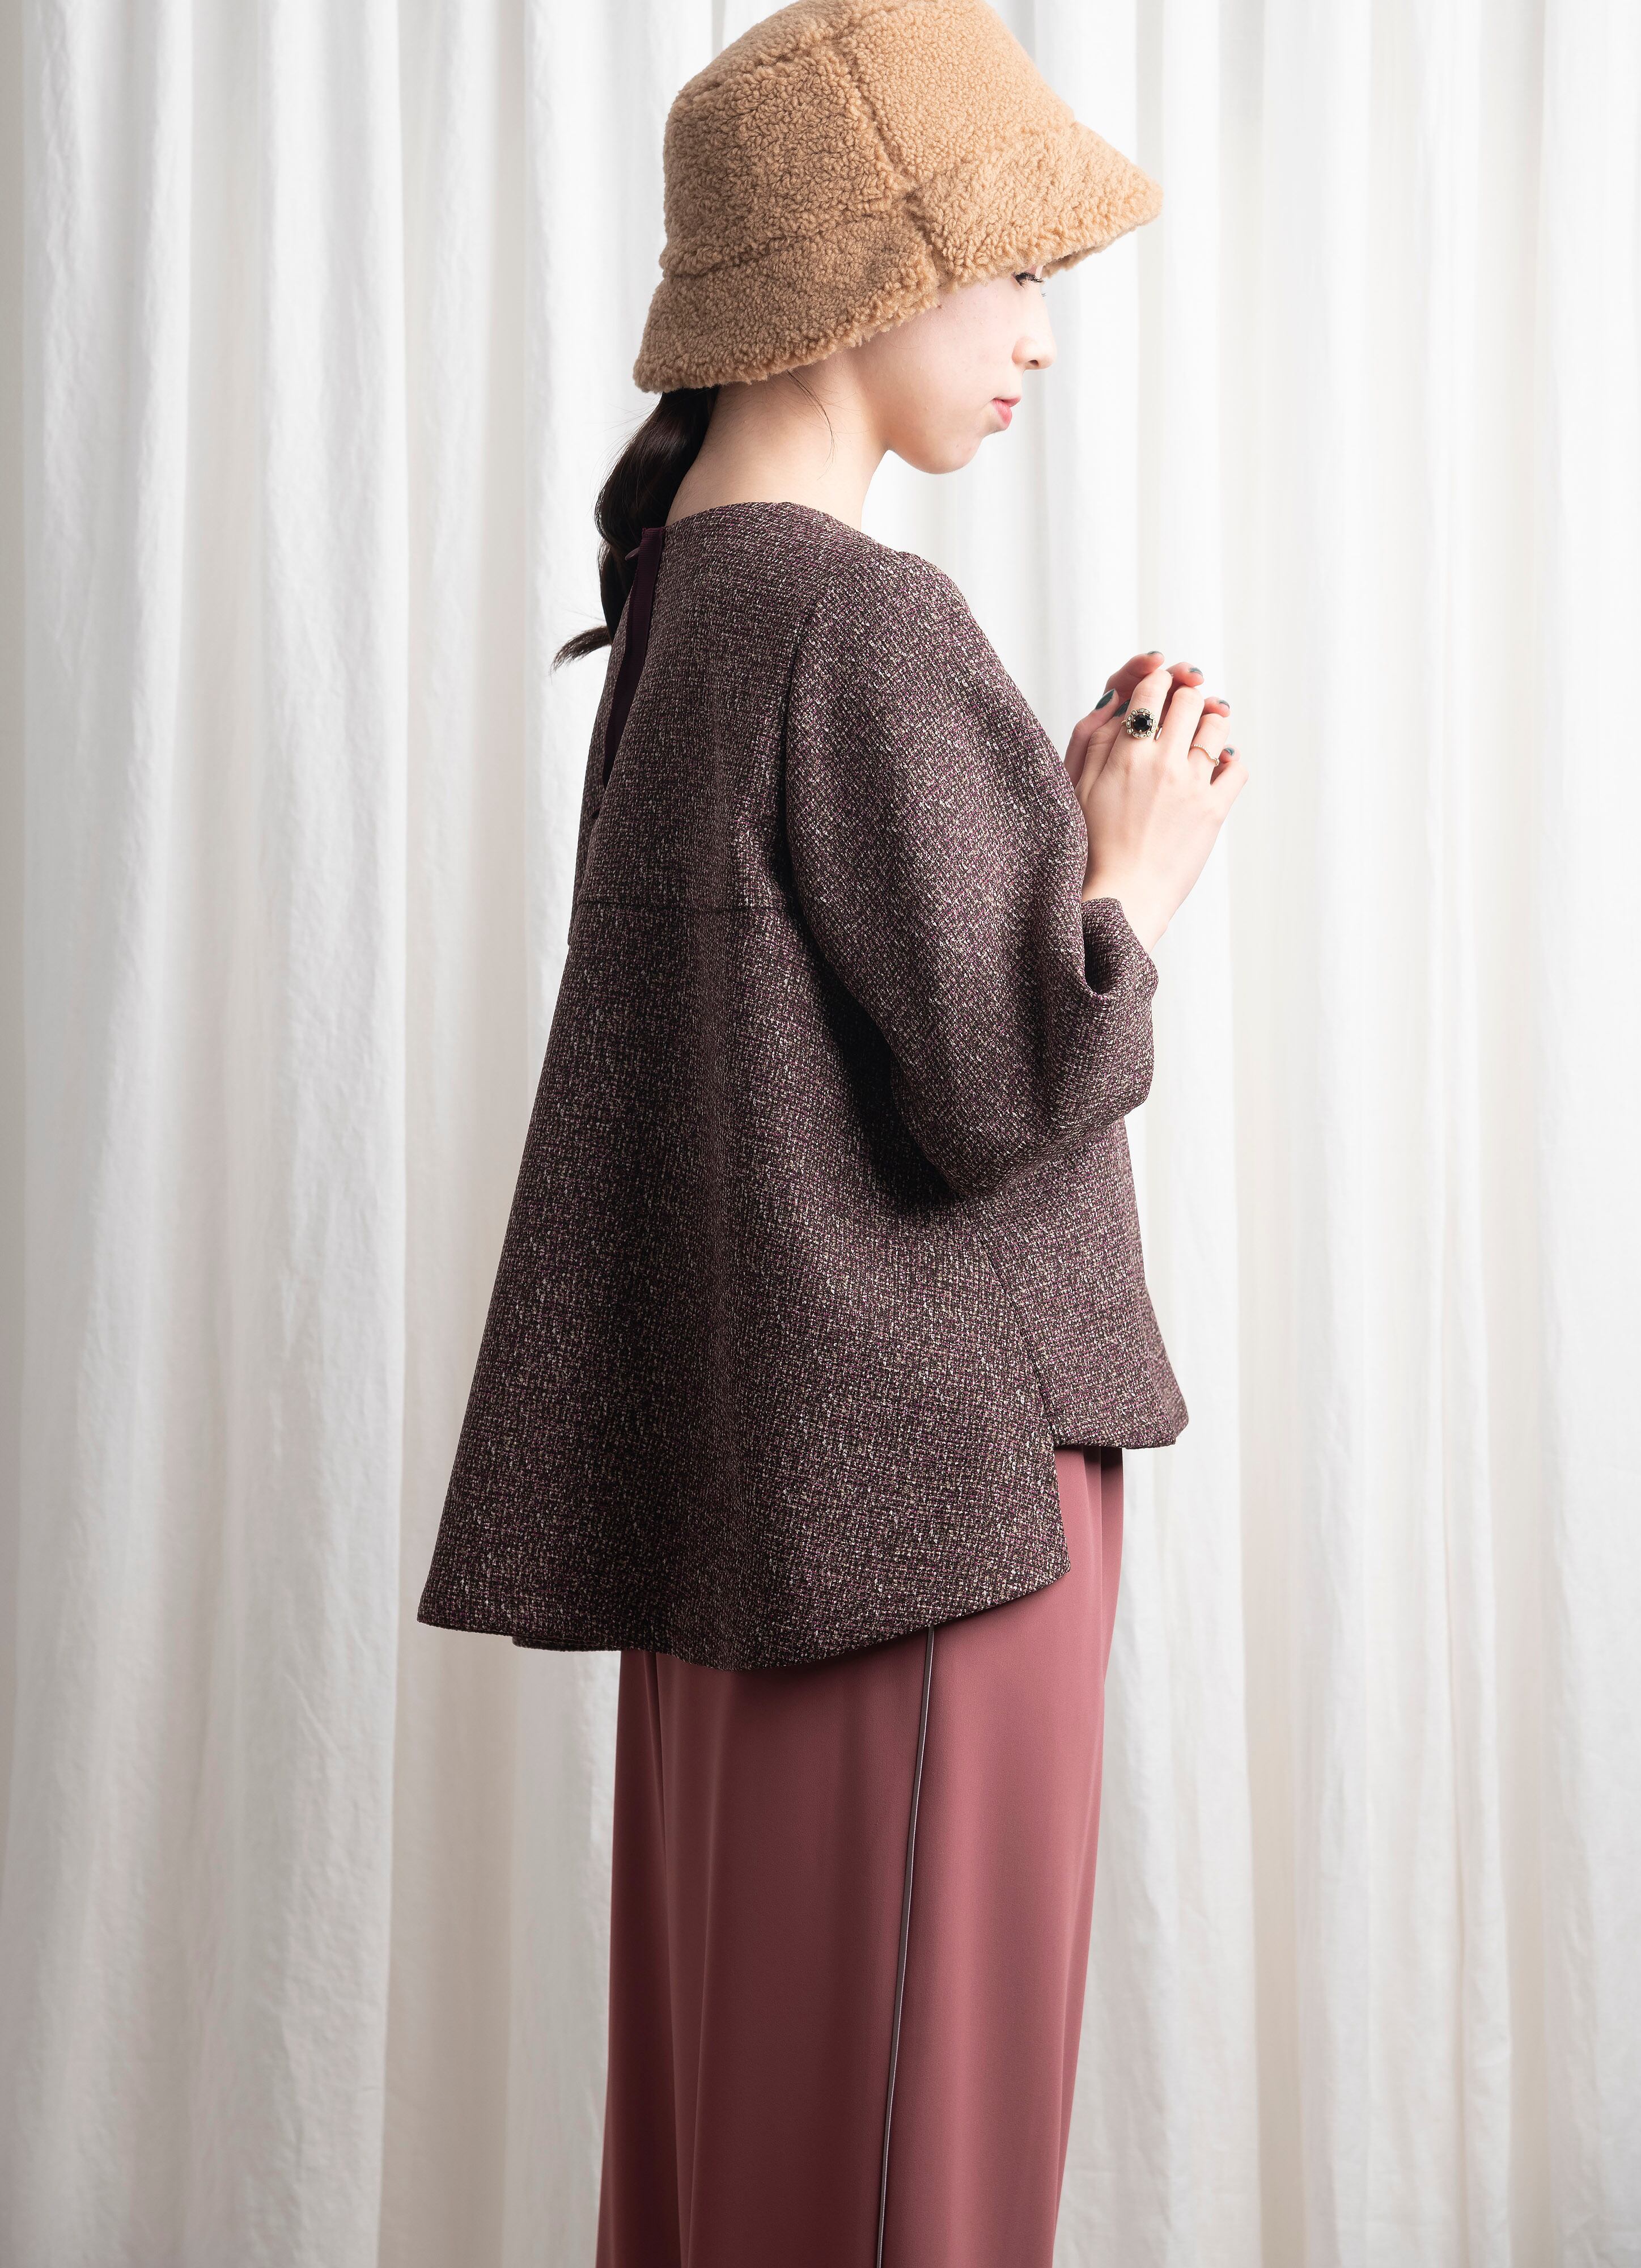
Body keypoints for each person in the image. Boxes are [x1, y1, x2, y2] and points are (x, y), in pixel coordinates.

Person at [415, 0, 1248, 2260]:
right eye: (1018, 270)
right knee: (908, 2176)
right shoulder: (860, 619)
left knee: (736, 2154)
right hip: (933, 1527)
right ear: (874, 262)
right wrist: (1130, 881)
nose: (1041, 336)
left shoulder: (685, 608)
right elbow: (1006, 1092)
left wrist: (1033, 856)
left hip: (756, 1507)